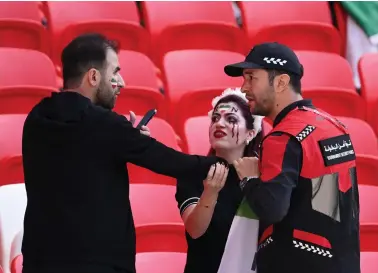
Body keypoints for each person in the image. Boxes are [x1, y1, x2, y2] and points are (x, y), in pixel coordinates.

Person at [21, 33, 227, 273]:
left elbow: (80, 155)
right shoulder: (107, 125)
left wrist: (124, 140)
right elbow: (171, 162)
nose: (122, 82)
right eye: (115, 72)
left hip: (39, 261)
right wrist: (227, 164)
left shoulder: (35, 119)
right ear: (94, 77)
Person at [223, 42, 360, 273]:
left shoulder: (282, 137)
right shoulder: (333, 125)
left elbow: (271, 209)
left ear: (281, 82)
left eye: (251, 77)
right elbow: (330, 202)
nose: (243, 88)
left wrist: (248, 179)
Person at [175, 88, 264, 273]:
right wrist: (210, 192)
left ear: (250, 133)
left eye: (230, 119)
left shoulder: (263, 175)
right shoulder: (192, 171)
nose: (219, 124)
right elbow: (195, 230)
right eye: (215, 118)